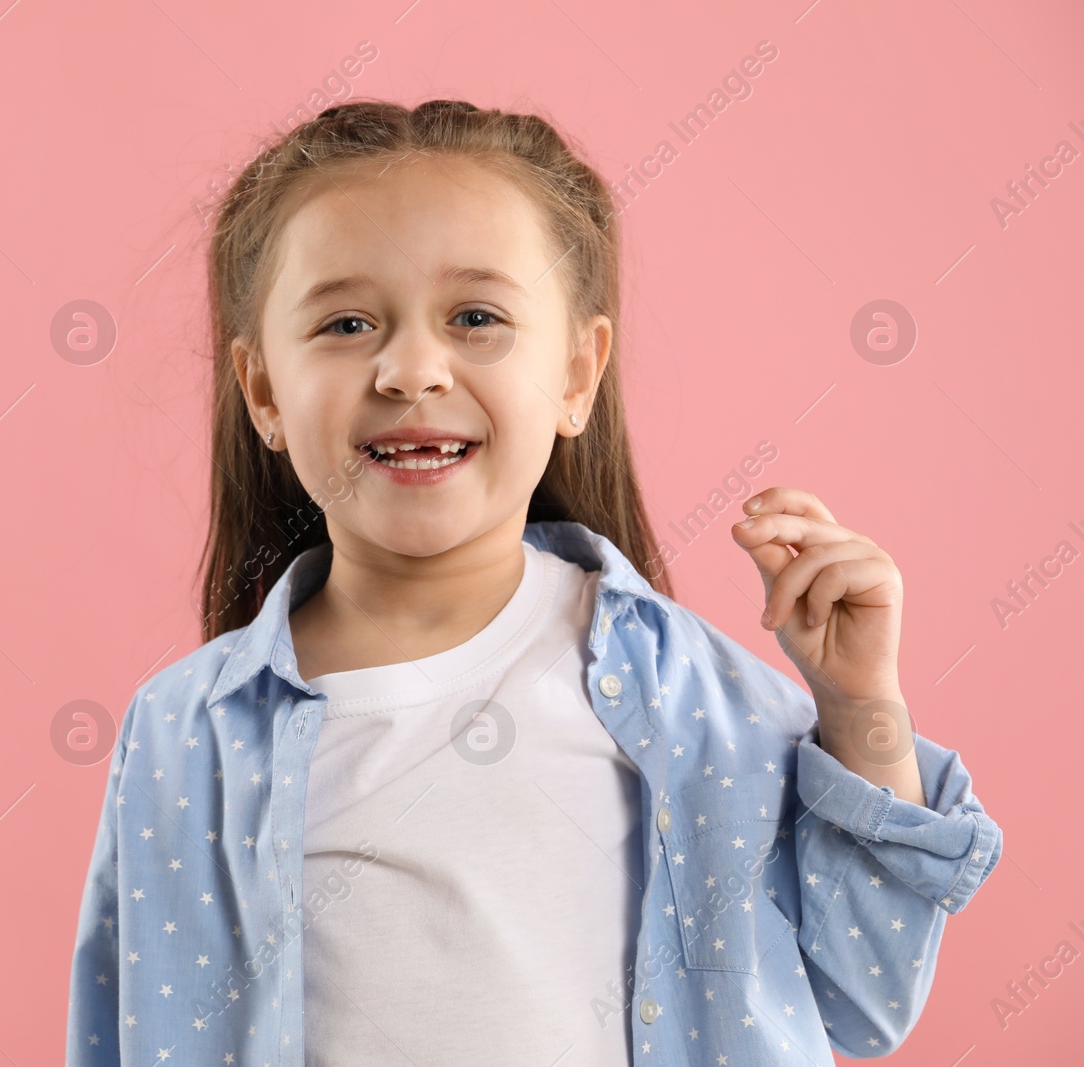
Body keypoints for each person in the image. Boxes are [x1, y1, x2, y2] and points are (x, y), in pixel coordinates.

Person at [65, 99, 1002, 1066]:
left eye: (477, 317)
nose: (410, 368)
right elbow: (125, 1030)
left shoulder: (687, 695)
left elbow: (868, 995)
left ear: (577, 374)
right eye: (346, 322)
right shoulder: (186, 730)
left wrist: (859, 708)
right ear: (263, 390)